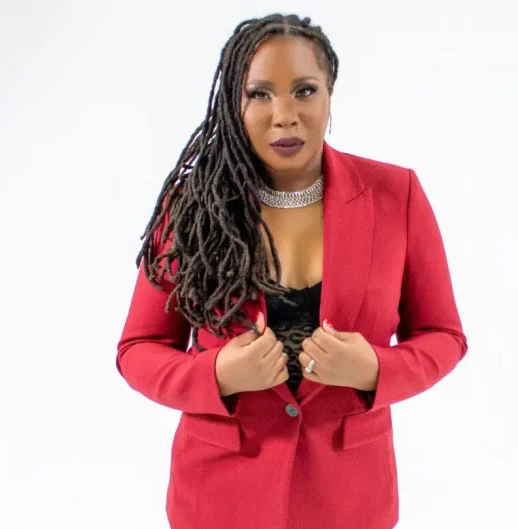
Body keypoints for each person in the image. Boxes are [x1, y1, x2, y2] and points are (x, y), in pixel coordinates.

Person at [116, 13, 468, 529]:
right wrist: (216, 375)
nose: (284, 116)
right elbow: (138, 349)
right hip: (218, 499)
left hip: (349, 501)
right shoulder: (193, 206)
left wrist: (374, 369)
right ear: (233, 103)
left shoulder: (397, 196)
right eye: (260, 94)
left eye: (304, 91)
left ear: (330, 93)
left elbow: (444, 336)